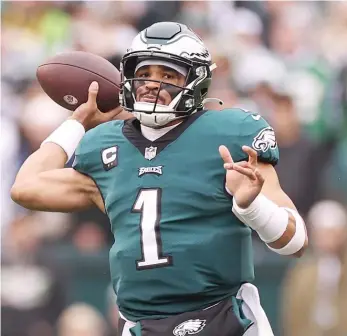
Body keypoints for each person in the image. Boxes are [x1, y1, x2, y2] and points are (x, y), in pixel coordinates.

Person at [11, 22, 308, 336]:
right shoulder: (106, 145)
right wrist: (77, 124)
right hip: (143, 324)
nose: (151, 84)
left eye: (167, 75)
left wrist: (252, 206)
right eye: (145, 72)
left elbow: (297, 243)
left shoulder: (230, 134)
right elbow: (25, 187)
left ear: (196, 81)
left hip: (224, 318)